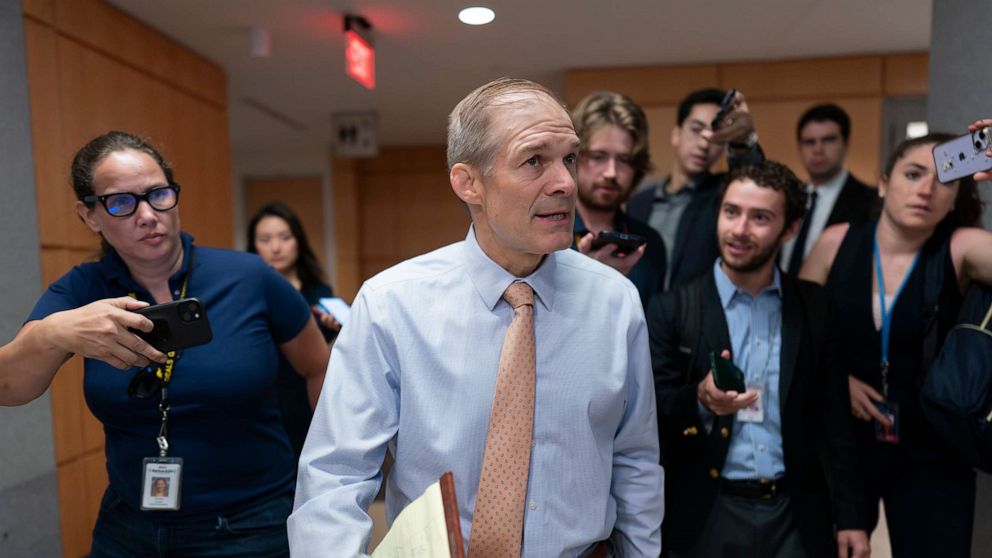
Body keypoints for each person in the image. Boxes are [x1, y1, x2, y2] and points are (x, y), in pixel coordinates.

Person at [289, 78, 663, 557]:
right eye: (534, 161)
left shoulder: (615, 303)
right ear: (469, 183)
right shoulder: (392, 305)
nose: (567, 183)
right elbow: (335, 475)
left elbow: (635, 462)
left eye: (569, 158)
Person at [0, 131, 329, 557]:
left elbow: (319, 367)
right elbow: (9, 387)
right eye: (121, 202)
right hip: (129, 527)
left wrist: (320, 472)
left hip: (252, 523)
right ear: (90, 216)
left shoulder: (249, 277)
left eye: (158, 194)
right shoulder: (82, 290)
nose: (147, 214)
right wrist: (53, 332)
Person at [648, 160, 869, 557]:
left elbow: (836, 420)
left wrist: (852, 517)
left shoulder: (814, 309)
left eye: (760, 217)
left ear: (791, 229)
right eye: (731, 212)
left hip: (794, 513)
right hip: (708, 510)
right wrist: (700, 398)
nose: (739, 230)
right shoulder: (674, 309)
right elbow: (654, 411)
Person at [800, 124, 992, 558]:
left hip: (933, 452)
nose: (927, 189)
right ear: (884, 184)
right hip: (844, 446)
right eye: (913, 174)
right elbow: (796, 334)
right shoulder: (837, 242)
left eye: (946, 179)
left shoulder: (960, 247)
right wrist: (839, 381)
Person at [627, 87, 763, 289]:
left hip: (695, 314)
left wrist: (743, 141)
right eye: (696, 129)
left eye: (715, 135)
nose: (705, 143)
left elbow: (756, 185)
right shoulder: (639, 202)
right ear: (676, 134)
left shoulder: (723, 194)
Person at [248, 202, 340, 458]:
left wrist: (335, 333)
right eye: (265, 239)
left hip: (307, 400)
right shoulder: (246, 294)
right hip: (260, 401)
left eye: (284, 238)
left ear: (298, 241)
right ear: (253, 246)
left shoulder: (320, 293)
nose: (275, 248)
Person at [571, 91, 666, 308]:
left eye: (624, 160)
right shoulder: (546, 236)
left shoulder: (649, 244)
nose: (611, 172)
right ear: (574, 157)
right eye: (598, 157)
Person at [780, 103, 876, 274]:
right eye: (809, 142)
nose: (818, 150)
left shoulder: (870, 201)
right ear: (799, 147)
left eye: (828, 140)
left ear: (846, 143)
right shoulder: (785, 198)